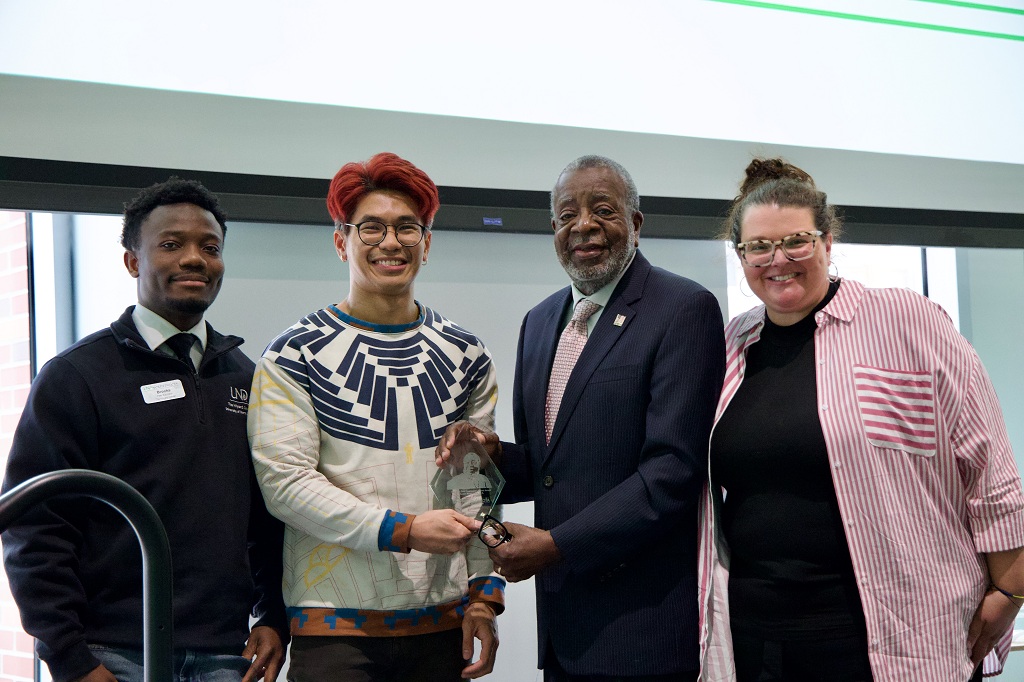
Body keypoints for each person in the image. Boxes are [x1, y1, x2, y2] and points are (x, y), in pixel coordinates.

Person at [698, 158, 1024, 682]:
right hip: (759, 636)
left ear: (828, 241)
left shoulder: (908, 321)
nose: (777, 259)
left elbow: (988, 465)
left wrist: (1011, 591)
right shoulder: (731, 345)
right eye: (758, 247)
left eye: (796, 241)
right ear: (741, 256)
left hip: (895, 633)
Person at [437, 155, 726, 680]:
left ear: (636, 224)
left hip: (645, 630)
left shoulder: (684, 308)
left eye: (604, 210)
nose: (584, 225)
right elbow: (550, 465)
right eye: (567, 214)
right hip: (565, 629)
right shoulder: (541, 321)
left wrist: (556, 546)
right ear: (553, 230)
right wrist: (491, 453)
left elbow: (673, 473)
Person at [1, 178, 288, 682]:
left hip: (225, 654)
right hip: (110, 655)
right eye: (171, 245)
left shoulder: (247, 377)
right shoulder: (77, 376)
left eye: (210, 247)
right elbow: (35, 528)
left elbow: (269, 517)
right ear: (133, 261)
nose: (195, 259)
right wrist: (70, 656)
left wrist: (274, 617)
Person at [247, 152, 503, 681]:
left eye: (408, 227)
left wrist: (484, 596)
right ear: (341, 241)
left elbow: (473, 488)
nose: (391, 242)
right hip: (333, 632)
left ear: (427, 244)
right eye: (371, 228)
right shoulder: (294, 355)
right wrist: (403, 530)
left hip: (443, 626)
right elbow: (286, 487)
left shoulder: (466, 355)